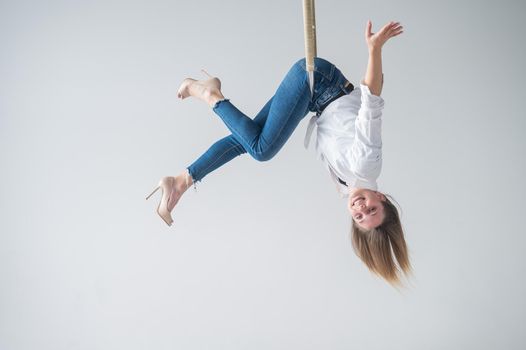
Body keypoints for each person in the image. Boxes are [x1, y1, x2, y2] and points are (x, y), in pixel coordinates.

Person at [146, 20, 411, 285]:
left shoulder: (347, 184)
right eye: (372, 210)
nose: (361, 209)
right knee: (262, 150)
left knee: (247, 141)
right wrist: (375, 50)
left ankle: (180, 181)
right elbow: (371, 101)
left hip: (313, 96)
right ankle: (208, 93)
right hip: (317, 82)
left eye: (360, 218)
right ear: (381, 198)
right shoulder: (366, 166)